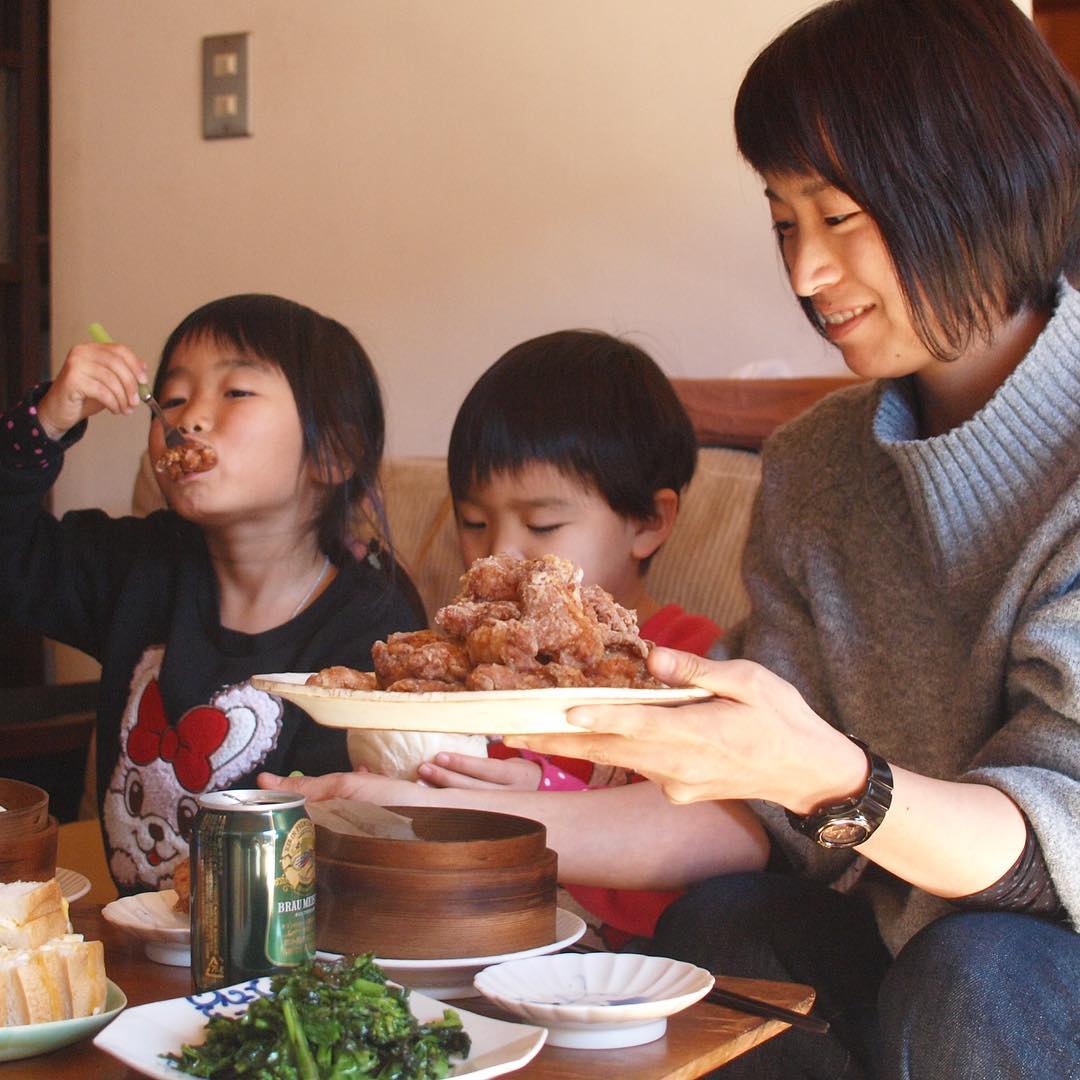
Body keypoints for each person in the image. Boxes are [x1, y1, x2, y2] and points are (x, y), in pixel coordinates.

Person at [496, 3, 1080, 1078]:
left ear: (991, 180)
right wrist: (469, 816)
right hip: (911, 940)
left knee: (980, 970)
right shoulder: (817, 467)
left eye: (841, 215)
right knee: (723, 931)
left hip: (1035, 967)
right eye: (782, 221)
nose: (807, 273)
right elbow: (765, 809)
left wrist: (835, 780)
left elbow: (1058, 851)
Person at [261, 329, 768, 945]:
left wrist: (544, 793)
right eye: (473, 523)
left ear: (648, 522)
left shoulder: (690, 664)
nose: (499, 551)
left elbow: (726, 844)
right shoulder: (464, 663)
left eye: (543, 523)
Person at [0, 294, 424, 895]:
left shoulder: (373, 631)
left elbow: (361, 850)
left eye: (235, 393)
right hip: (139, 958)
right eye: (170, 399)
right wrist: (44, 424)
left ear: (333, 450)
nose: (186, 420)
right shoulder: (138, 570)